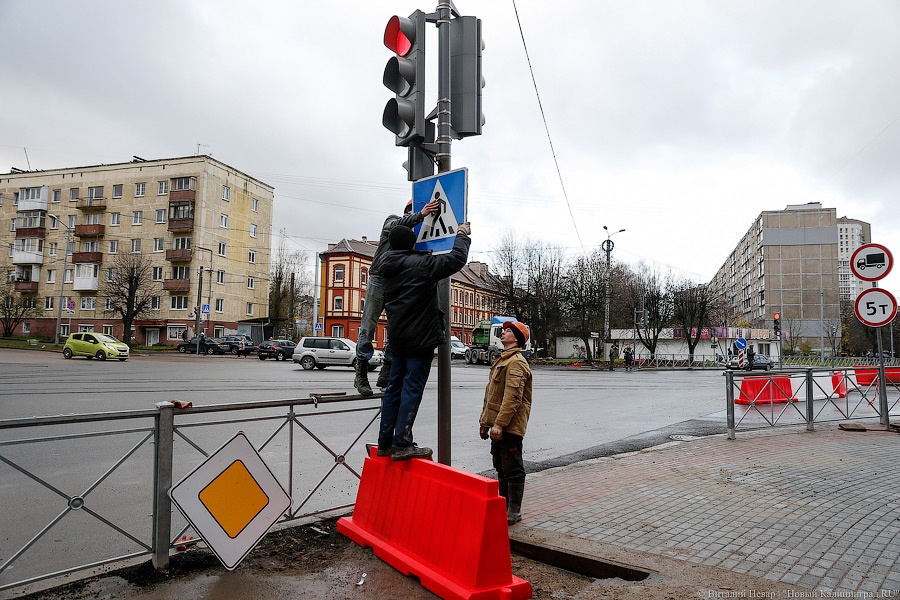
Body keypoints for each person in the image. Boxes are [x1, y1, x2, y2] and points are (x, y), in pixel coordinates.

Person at [376, 221, 471, 460]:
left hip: (397, 338)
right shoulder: (421, 264)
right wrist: (461, 234)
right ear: (412, 243)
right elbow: (456, 259)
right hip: (421, 338)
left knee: (393, 388)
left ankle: (385, 442)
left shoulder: (384, 266)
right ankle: (403, 442)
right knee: (412, 387)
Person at [354, 199, 440, 396]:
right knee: (368, 326)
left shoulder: (418, 235)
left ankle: (387, 369)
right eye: (416, 212)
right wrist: (421, 214)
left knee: (397, 327)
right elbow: (394, 227)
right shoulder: (393, 221)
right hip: (378, 278)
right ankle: (361, 372)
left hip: (400, 282)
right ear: (408, 211)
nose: (422, 215)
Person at [479, 320, 533, 525]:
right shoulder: (502, 360)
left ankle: (514, 511)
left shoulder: (516, 362)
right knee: (501, 466)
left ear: (517, 338)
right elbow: (492, 396)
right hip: (497, 426)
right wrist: (485, 422)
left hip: (509, 426)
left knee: (512, 467)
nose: (503, 333)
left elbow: (512, 398)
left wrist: (500, 424)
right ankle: (504, 506)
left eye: (508, 331)